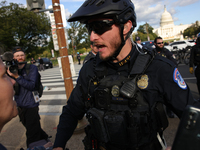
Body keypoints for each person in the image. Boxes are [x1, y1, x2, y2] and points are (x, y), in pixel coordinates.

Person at [53, 0, 200, 150]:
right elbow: (71, 112)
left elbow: (194, 119)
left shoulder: (159, 68)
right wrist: (58, 146)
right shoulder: (90, 69)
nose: (92, 37)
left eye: (99, 27)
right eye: (90, 28)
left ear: (126, 26)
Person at [0, 57, 53, 150]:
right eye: (4, 75)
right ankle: (45, 140)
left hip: (31, 104)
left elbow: (31, 85)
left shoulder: (31, 68)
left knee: (32, 132)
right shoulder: (12, 70)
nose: (12, 82)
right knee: (33, 128)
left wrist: (17, 77)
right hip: (20, 105)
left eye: (21, 55)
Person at [154, 36, 177, 118]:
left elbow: (174, 63)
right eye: (159, 43)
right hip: (155, 78)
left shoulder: (167, 52)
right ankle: (158, 114)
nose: (161, 44)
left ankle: (169, 111)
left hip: (165, 78)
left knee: (168, 96)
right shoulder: (152, 53)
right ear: (155, 44)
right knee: (156, 97)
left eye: (162, 42)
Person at [189, 33, 200, 100]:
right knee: (199, 82)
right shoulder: (194, 48)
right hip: (198, 67)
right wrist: (191, 66)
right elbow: (191, 58)